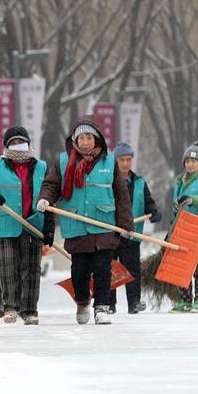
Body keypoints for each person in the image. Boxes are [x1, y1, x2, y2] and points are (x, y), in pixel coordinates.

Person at [37, 116, 134, 325]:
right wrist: (45, 198)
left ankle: (102, 307)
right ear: (75, 140)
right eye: (81, 138)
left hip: (104, 226)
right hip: (77, 228)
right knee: (79, 271)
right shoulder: (63, 162)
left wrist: (126, 225)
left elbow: (121, 194)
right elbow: (51, 185)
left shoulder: (110, 162)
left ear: (97, 139)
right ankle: (82, 302)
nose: (85, 142)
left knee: (102, 270)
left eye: (89, 137)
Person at [0, 126, 54, 325]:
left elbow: (49, 196)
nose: (17, 147)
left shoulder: (41, 167)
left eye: (21, 143)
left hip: (32, 223)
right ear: (6, 146)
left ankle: (30, 309)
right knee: (7, 267)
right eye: (13, 143)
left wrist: (48, 228)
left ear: (28, 144)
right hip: (5, 223)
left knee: (32, 269)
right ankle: (10, 307)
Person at [108, 141, 163, 314]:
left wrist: (154, 212)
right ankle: (109, 304)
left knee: (133, 269)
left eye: (128, 160)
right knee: (110, 269)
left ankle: (134, 302)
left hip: (132, 234)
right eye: (122, 160)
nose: (125, 163)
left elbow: (148, 202)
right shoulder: (108, 181)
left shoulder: (139, 183)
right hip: (111, 232)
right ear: (115, 162)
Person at [169, 141, 198, 313]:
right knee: (181, 266)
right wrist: (171, 228)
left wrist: (192, 200)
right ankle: (184, 299)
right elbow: (176, 206)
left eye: (193, 161)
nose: (189, 164)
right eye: (187, 161)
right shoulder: (180, 181)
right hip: (182, 229)